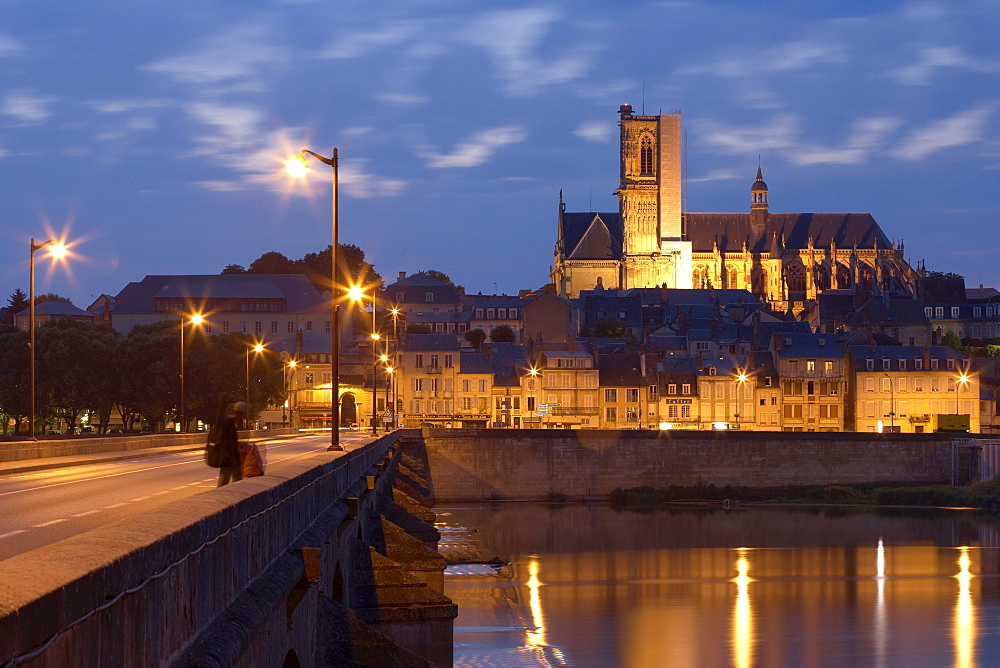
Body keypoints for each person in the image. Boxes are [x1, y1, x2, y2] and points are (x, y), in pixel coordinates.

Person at [216, 401, 249, 487]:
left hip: (227, 457)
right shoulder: (229, 424)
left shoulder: (228, 422)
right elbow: (228, 441)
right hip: (229, 458)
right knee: (232, 481)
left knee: (226, 481)